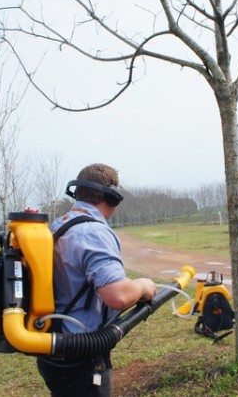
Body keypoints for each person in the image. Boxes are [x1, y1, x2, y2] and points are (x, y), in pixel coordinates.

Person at [37, 163, 157, 397]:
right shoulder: (92, 232)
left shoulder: (61, 224)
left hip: (56, 346)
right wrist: (143, 286)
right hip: (80, 351)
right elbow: (118, 296)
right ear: (112, 197)